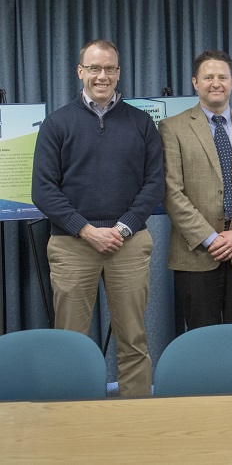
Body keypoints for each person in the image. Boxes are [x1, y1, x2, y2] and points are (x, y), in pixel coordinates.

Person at [32, 39, 165, 396]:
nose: (102, 76)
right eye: (94, 68)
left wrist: (122, 228)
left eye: (109, 68)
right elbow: (43, 190)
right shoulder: (57, 123)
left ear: (119, 72)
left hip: (129, 241)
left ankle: (134, 420)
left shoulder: (141, 123)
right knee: (70, 342)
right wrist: (86, 230)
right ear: (80, 72)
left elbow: (155, 184)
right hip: (73, 244)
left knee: (134, 339)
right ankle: (69, 418)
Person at [159, 50, 232, 330]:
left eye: (222, 77)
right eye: (208, 77)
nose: (216, 83)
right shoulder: (171, 128)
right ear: (195, 83)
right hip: (196, 254)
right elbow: (171, 191)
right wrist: (210, 238)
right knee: (202, 338)